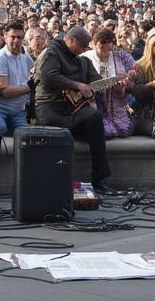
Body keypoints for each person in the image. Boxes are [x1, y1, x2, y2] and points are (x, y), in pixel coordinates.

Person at [33, 26, 115, 195]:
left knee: (95, 118)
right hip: (50, 107)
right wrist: (77, 85)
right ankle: (56, 182)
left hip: (73, 109)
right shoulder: (51, 52)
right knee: (60, 133)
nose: (85, 50)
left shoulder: (83, 61)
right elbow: (48, 76)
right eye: (83, 46)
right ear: (72, 41)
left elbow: (96, 81)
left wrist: (106, 84)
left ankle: (99, 178)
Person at [82, 27, 134, 138]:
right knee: (102, 131)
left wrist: (122, 89)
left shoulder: (120, 57)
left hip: (115, 104)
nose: (106, 46)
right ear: (95, 43)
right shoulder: (85, 58)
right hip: (91, 102)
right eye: (102, 43)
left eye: (109, 43)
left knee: (123, 130)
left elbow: (133, 79)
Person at [0, 21, 34, 136]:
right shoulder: (0, 58)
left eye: (19, 37)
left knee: (26, 136)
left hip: (18, 110)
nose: (16, 40)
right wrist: (30, 87)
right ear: (5, 36)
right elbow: (4, 91)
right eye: (13, 37)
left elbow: (36, 71)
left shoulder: (25, 56)